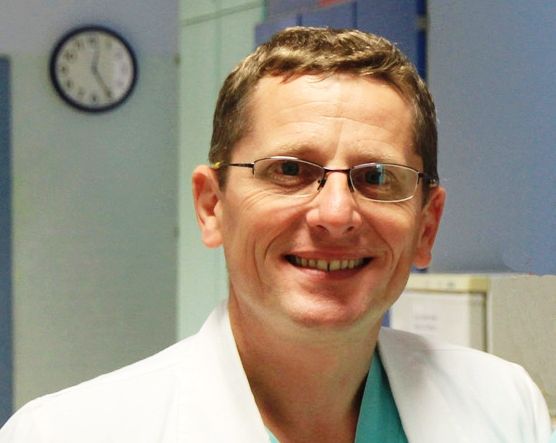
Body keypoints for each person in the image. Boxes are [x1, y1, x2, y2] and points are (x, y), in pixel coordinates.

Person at [0, 27, 551, 443]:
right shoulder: (65, 433)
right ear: (212, 206)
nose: (336, 213)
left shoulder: (505, 408)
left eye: (377, 177)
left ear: (426, 226)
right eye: (289, 170)